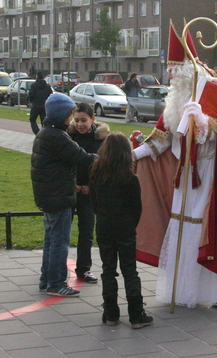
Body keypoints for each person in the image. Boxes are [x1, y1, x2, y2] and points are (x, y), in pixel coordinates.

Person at [132, 22, 217, 308]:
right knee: (180, 222)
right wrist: (133, 154)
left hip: (207, 173)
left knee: (201, 225)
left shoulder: (213, 93)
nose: (168, 76)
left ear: (185, 69)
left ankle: (214, 291)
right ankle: (183, 290)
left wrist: (205, 123)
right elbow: (162, 139)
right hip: (183, 175)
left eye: (172, 70)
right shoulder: (178, 97)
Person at [31, 93, 97, 296]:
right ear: (61, 115)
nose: (71, 119)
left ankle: (46, 279)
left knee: (50, 239)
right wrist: (108, 158)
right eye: (70, 115)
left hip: (49, 196)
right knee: (59, 241)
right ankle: (56, 283)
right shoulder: (57, 137)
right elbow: (82, 157)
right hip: (58, 196)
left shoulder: (45, 133)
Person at [90, 132, 153, 329]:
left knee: (108, 270)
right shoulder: (130, 178)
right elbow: (137, 208)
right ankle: (136, 314)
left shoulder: (96, 174)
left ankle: (110, 312)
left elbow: (93, 203)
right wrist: (130, 225)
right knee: (129, 270)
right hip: (125, 226)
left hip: (104, 224)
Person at [68, 102, 110, 284]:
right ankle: (55, 268)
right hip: (69, 190)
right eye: (76, 120)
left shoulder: (101, 140)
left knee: (86, 232)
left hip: (89, 193)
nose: (79, 125)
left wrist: (90, 188)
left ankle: (84, 269)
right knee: (61, 231)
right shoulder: (68, 137)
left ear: (93, 119)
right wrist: (73, 184)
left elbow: (104, 169)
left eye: (83, 120)